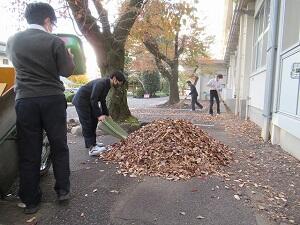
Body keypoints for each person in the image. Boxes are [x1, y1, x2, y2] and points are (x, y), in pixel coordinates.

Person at [6, 3, 75, 214]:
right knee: (58, 145)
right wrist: (69, 57)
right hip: (52, 98)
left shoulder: (13, 40)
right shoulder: (54, 41)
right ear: (47, 20)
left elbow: (16, 64)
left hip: (25, 100)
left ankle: (31, 201)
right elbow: (67, 70)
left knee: (29, 150)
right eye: (52, 22)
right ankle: (62, 190)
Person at [72, 71, 126, 156]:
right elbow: (93, 99)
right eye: (119, 83)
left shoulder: (108, 85)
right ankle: (92, 149)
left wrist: (107, 114)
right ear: (115, 79)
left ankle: (92, 143)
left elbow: (102, 100)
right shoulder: (101, 83)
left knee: (94, 121)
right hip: (81, 101)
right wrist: (99, 115)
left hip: (88, 102)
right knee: (87, 123)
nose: (119, 85)